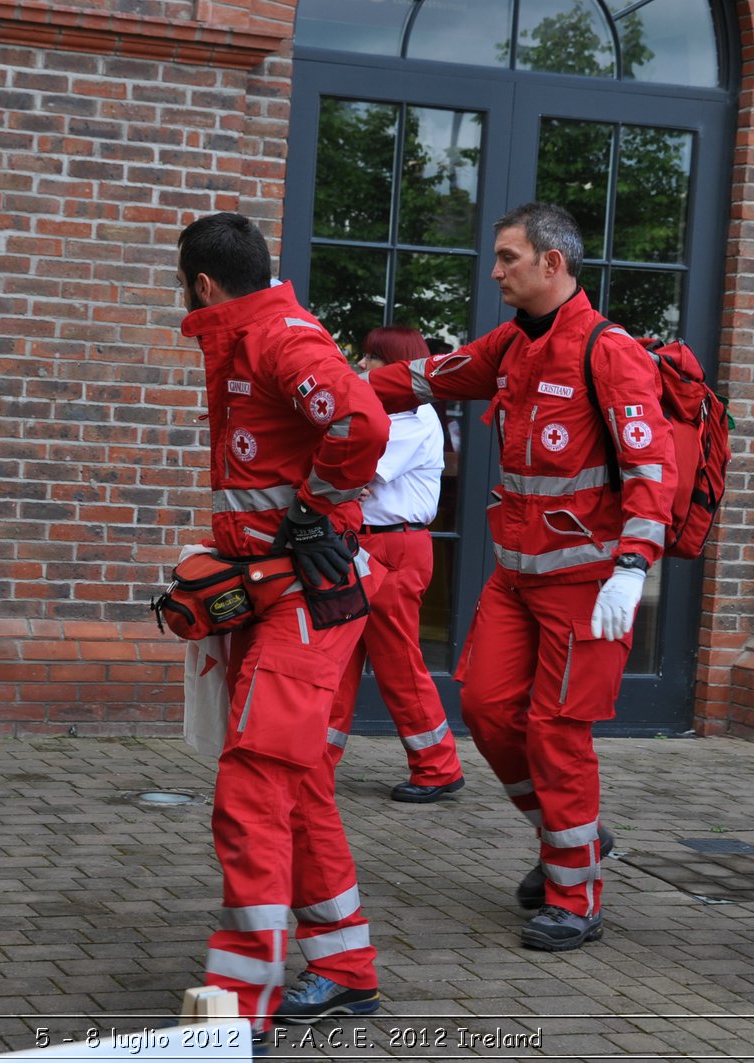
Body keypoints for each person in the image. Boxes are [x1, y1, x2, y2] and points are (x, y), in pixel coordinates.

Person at [364, 202, 677, 952]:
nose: (496, 270)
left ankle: (575, 891)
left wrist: (633, 567)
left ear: (553, 264)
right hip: (516, 577)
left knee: (556, 732)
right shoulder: (511, 344)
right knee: (489, 708)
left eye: (508, 257)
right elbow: (425, 378)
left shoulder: (609, 351)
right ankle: (570, 837)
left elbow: (651, 470)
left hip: (586, 583)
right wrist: (326, 382)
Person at [175, 212, 392, 1034]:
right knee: (298, 785)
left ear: (202, 283)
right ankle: (344, 967)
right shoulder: (251, 335)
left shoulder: (275, 339)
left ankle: (239, 1007)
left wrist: (314, 510)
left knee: (253, 784)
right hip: (279, 590)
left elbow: (361, 421)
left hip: (304, 595)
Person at [338, 324, 466, 802]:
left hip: (393, 548)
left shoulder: (414, 421)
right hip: (369, 545)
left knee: (397, 663)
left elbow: (353, 475)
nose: (364, 367)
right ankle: (311, 761)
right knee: (339, 657)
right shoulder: (395, 413)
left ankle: (438, 767)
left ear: (394, 366)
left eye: (372, 359)